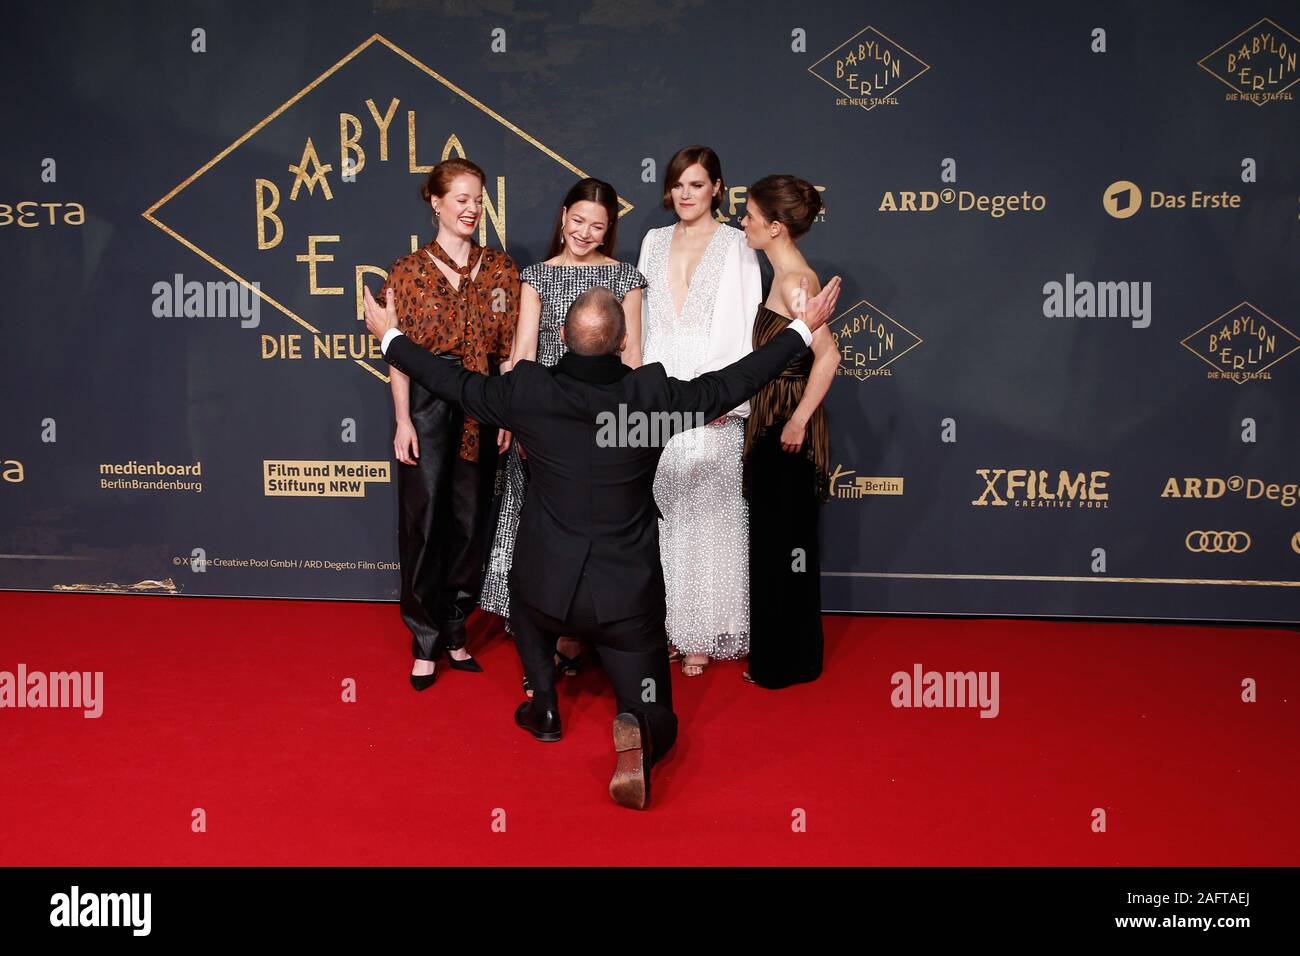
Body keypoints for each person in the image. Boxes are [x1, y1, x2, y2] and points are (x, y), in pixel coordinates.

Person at [363, 275, 842, 808]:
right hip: (625, 597)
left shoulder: (527, 391)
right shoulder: (651, 396)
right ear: (621, 343)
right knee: (657, 710)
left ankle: (543, 704)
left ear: (561, 337)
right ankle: (638, 722)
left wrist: (390, 337)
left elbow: (451, 383)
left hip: (544, 588)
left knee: (522, 602)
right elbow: (731, 383)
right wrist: (802, 329)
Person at [478, 179, 646, 695]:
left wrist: (624, 427)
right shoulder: (535, 278)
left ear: (609, 229)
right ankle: (545, 638)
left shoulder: (627, 278)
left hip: (601, 421)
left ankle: (582, 633)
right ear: (563, 213)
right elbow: (523, 352)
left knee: (592, 523)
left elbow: (633, 357)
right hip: (546, 421)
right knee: (541, 529)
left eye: (598, 226)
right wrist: (513, 416)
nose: (584, 232)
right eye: (578, 221)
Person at [377, 157, 519, 691]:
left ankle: (456, 629)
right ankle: (424, 639)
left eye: (478, 199)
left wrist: (505, 410)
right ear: (435, 202)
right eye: (461, 199)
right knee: (424, 520)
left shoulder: (502, 270)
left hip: (482, 400)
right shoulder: (407, 272)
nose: (471, 209)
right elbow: (397, 356)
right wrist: (402, 420)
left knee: (470, 521)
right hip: (429, 405)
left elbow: (506, 350)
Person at [637, 145, 761, 677]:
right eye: (678, 185)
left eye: (696, 184)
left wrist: (725, 396)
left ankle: (702, 633)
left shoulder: (736, 242)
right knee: (663, 510)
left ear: (717, 188)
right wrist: (637, 384)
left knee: (710, 510)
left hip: (711, 390)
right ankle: (665, 624)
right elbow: (639, 319)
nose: (686, 194)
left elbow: (743, 322)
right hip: (658, 388)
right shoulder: (652, 240)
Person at [739, 176, 837, 688]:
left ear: (775, 227)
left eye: (751, 216)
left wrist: (797, 420)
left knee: (783, 543)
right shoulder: (781, 275)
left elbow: (829, 356)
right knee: (778, 542)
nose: (744, 222)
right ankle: (789, 658)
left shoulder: (798, 280)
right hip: (772, 419)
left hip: (786, 427)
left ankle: (784, 664)